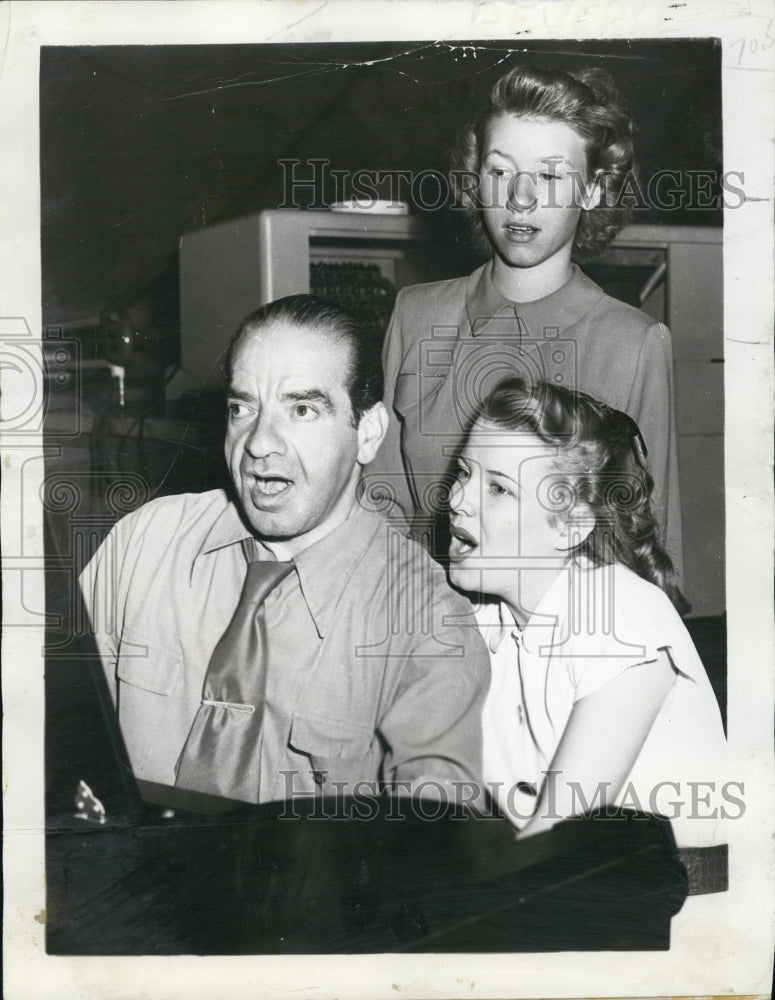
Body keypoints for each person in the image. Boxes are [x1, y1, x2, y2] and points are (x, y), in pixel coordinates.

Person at [80, 295, 489, 808]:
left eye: (301, 409)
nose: (258, 444)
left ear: (368, 433)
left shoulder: (426, 622)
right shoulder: (148, 541)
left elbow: (434, 859)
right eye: (241, 408)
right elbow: (45, 725)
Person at [374, 64, 682, 576]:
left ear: (593, 190)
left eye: (550, 175)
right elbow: (380, 508)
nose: (520, 198)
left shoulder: (634, 343)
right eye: (500, 171)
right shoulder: (416, 314)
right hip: (425, 626)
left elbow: (650, 545)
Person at [447, 377, 727, 888]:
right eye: (464, 472)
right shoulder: (486, 619)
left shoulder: (622, 615)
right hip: (570, 893)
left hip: (682, 915)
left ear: (571, 526)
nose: (459, 500)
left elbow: (559, 840)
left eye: (498, 488)